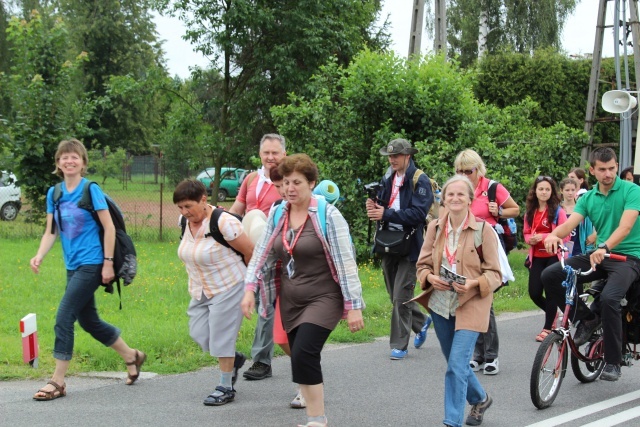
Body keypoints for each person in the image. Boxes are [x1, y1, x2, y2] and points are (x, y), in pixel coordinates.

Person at [241, 154, 364, 427]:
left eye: (297, 182)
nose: (290, 188)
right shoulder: (277, 213)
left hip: (325, 296)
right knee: (299, 359)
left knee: (305, 352)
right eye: (285, 183)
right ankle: (314, 416)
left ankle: (318, 420)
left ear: (312, 183)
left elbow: (346, 263)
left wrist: (354, 305)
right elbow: (262, 254)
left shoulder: (328, 215)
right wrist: (250, 289)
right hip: (291, 298)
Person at [30, 138, 145, 401]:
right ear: (58, 163)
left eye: (74, 157)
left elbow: (109, 228)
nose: (69, 161)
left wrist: (107, 262)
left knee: (64, 316)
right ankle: (131, 356)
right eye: (64, 157)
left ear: (83, 162)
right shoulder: (55, 193)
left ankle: (57, 381)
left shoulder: (90, 189)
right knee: (88, 321)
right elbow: (52, 231)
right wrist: (39, 255)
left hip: (92, 262)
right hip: (72, 265)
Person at [543, 147, 640, 381]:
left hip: (627, 257)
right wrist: (554, 235)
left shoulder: (632, 190)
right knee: (550, 275)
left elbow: (626, 227)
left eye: (612, 168)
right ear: (592, 170)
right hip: (599, 255)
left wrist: (605, 247)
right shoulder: (588, 198)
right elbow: (570, 223)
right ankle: (586, 319)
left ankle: (613, 362)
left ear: (616, 166)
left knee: (609, 298)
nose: (608, 174)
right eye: (602, 169)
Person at [415, 175, 502, 427]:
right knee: (456, 362)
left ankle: (451, 421)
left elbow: (495, 274)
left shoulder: (484, 230)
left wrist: (473, 284)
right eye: (450, 194)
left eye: (460, 194)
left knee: (456, 365)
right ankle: (480, 398)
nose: (454, 198)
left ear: (469, 200)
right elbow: (421, 266)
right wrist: (431, 277)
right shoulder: (434, 227)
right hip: (441, 304)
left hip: (471, 303)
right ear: (443, 198)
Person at [173, 179, 254, 406]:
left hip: (229, 285)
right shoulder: (183, 222)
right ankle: (232, 358)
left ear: (203, 199)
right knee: (199, 333)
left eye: (189, 206)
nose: (184, 211)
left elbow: (249, 251)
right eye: (180, 207)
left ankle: (225, 386)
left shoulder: (223, 222)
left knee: (221, 337)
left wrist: (249, 286)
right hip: (200, 289)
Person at [453, 149, 519, 375]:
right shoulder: (459, 190)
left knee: (484, 300)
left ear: (478, 169)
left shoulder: (492, 188)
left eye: (468, 171)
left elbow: (515, 209)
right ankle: (480, 355)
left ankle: (489, 356)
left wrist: (498, 210)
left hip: (488, 250)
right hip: (464, 251)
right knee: (473, 301)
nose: (463, 175)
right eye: (459, 171)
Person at [366, 138, 433, 360]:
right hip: (388, 243)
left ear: (408, 156)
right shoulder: (388, 177)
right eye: (390, 156)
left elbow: (418, 215)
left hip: (410, 245)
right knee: (394, 295)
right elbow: (384, 205)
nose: (392, 159)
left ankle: (399, 345)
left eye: (396, 156)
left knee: (401, 297)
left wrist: (386, 214)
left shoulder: (419, 180)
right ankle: (421, 322)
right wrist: (374, 206)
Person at [230, 133, 286, 381]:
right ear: (260, 154)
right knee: (238, 300)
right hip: (247, 251)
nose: (271, 157)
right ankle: (229, 354)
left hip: (275, 253)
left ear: (284, 153)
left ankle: (262, 361)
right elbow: (236, 211)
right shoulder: (251, 179)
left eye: (275, 153)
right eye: (266, 153)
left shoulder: (289, 179)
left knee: (267, 304)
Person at [523, 176, 568, 342]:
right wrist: (530, 240)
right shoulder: (530, 211)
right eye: (540, 189)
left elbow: (566, 234)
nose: (543, 192)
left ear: (552, 192)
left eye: (547, 189)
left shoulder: (558, 211)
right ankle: (554, 314)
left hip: (553, 257)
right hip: (537, 257)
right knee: (534, 292)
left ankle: (548, 327)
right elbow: (526, 233)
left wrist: (543, 236)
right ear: (535, 191)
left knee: (550, 293)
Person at [559, 178, 595, 257]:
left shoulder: (582, 208)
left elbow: (589, 230)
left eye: (573, 190)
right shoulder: (557, 209)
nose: (570, 193)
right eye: (567, 190)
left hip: (578, 249)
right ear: (561, 190)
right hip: (561, 249)